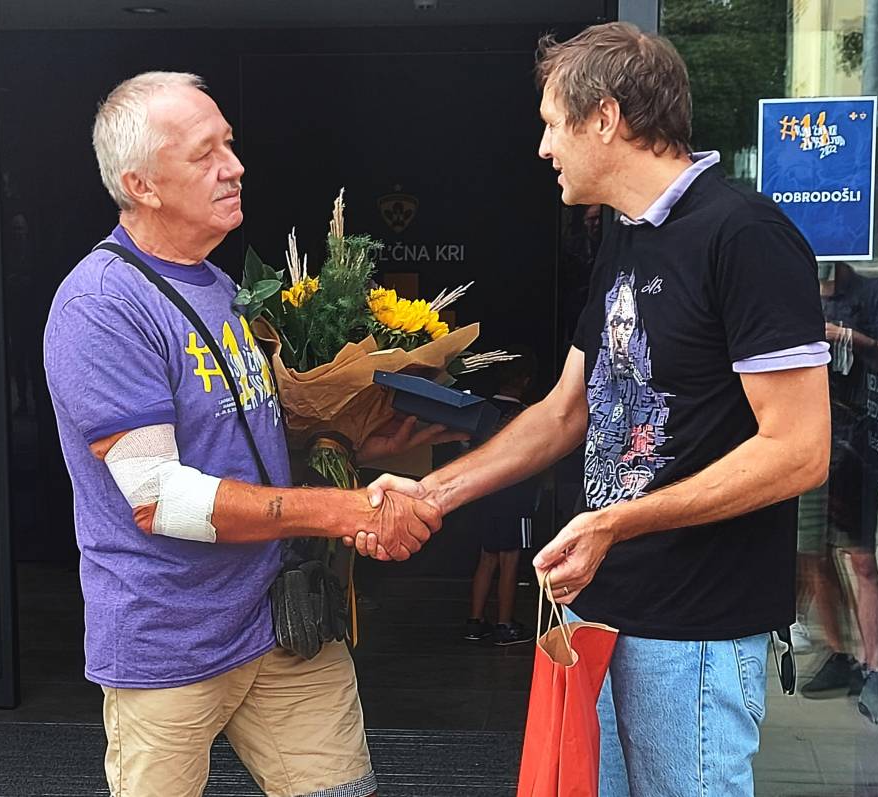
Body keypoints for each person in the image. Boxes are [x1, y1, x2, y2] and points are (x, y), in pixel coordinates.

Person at [357, 23, 830, 796]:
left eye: (553, 123)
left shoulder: (745, 235)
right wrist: (432, 492)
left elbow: (799, 450)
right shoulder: (623, 235)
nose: (544, 147)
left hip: (694, 632)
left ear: (605, 117)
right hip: (598, 614)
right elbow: (563, 411)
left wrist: (616, 522)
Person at [42, 71, 451, 797]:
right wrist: (344, 510)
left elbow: (239, 440)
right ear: (140, 184)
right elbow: (159, 498)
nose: (233, 166)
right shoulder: (102, 306)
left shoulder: (220, 287)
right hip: (169, 643)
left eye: (229, 145)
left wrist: (348, 444)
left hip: (282, 619)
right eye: (204, 154)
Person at [799, 262, 878, 726]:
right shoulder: (794, 289)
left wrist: (848, 337)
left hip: (857, 443)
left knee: (862, 559)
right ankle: (840, 652)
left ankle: (873, 666)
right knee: (812, 552)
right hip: (807, 440)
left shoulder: (872, 292)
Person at [463, 349, 541, 646]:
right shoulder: (528, 415)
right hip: (515, 497)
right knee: (510, 559)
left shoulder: (482, 412)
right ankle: (505, 624)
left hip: (484, 494)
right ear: (526, 381)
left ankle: (475, 621)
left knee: (486, 556)